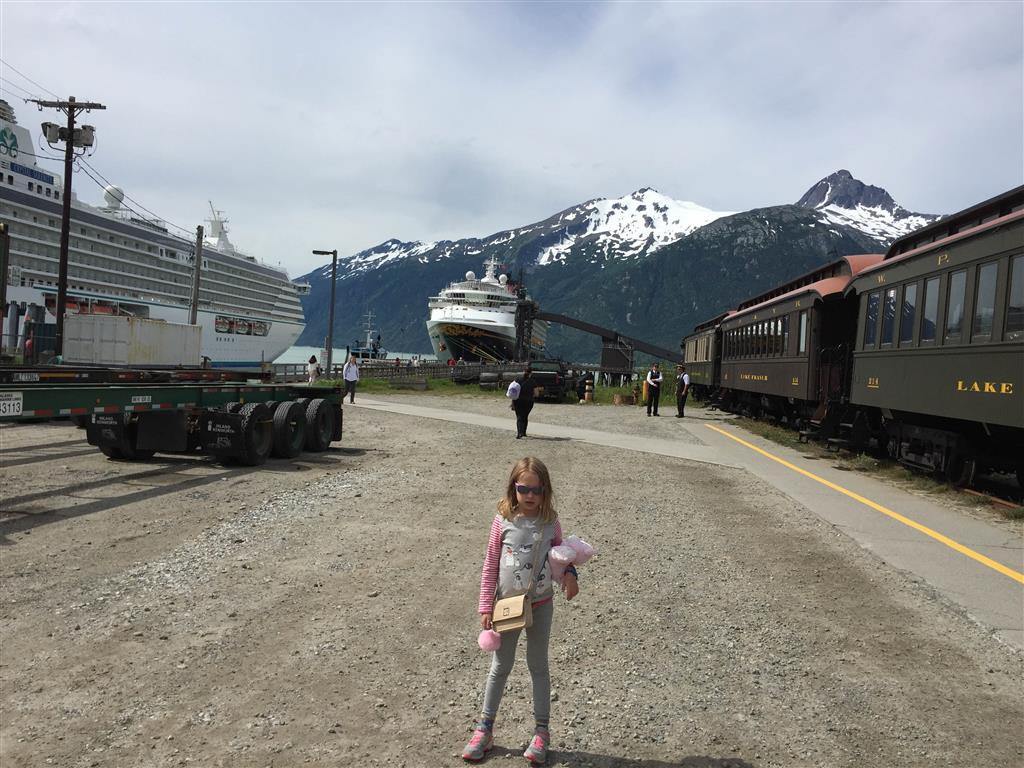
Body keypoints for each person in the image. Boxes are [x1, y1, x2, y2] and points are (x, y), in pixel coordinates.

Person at [462, 457, 579, 764]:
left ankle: (542, 732)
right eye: (523, 488)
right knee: (500, 666)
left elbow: (562, 555)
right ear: (513, 488)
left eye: (536, 490)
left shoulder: (550, 522)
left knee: (538, 665)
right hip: (506, 608)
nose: (529, 495)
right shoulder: (503, 520)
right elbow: (490, 564)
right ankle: (485, 728)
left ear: (545, 491)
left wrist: (570, 575)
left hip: (541, 606)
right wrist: (485, 605)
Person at [510, 365, 536, 439]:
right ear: (531, 373)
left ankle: (519, 433)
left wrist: (512, 402)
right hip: (529, 402)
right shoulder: (533, 381)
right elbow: (536, 393)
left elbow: (512, 391)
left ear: (524, 371)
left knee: (519, 417)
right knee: (525, 416)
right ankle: (524, 432)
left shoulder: (518, 379)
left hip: (518, 401)